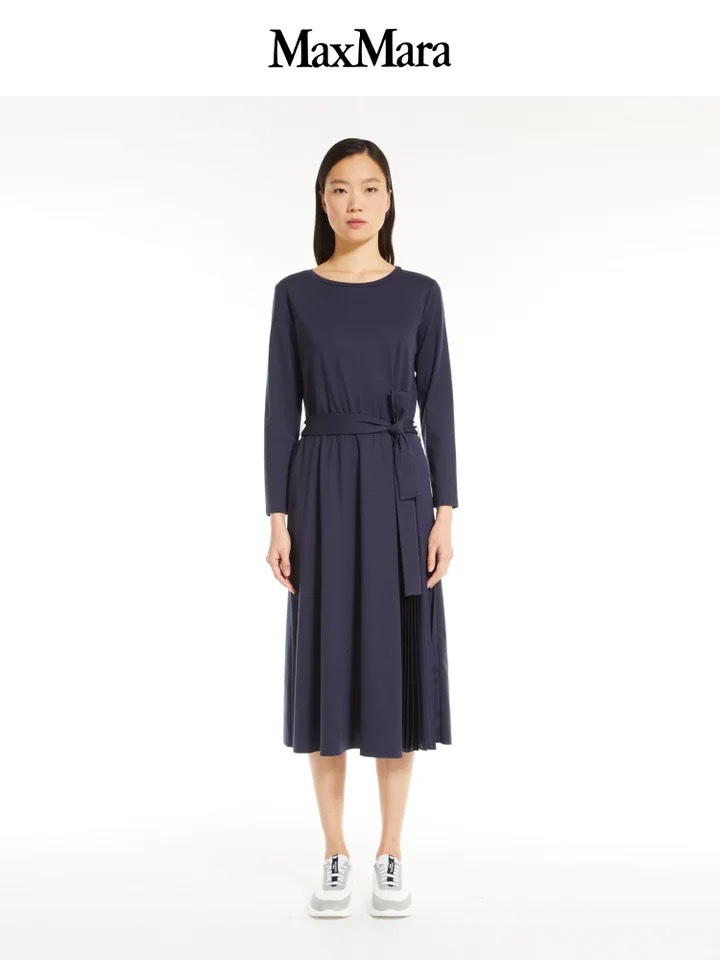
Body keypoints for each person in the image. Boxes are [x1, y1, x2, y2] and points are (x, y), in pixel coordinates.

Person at [263, 138, 459, 918]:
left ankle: (392, 851)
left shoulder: (420, 294)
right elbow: (280, 409)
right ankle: (335, 850)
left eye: (370, 187)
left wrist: (446, 512)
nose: (355, 202)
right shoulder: (294, 294)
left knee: (395, 669)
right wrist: (277, 518)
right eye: (340, 188)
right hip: (319, 487)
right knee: (328, 665)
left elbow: (439, 406)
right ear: (323, 200)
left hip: (400, 483)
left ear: (389, 200)